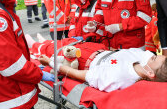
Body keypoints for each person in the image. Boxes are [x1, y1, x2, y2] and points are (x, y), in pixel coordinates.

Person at [39, 48, 167, 93]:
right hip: (98, 49)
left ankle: (34, 45)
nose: (151, 55)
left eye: (154, 58)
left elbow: (75, 73)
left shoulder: (117, 77)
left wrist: (50, 63)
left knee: (47, 48)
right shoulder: (143, 60)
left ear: (150, 73)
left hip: (82, 59)